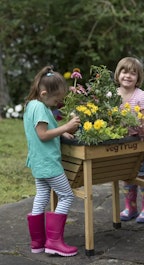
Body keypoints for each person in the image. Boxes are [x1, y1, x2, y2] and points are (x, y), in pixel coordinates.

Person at [23, 65, 80, 256]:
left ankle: (38, 243)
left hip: (38, 162)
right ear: (44, 92)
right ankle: (54, 242)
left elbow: (45, 133)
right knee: (66, 196)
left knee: (41, 197)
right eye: (56, 99)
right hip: (49, 163)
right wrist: (66, 127)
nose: (57, 103)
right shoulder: (40, 107)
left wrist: (62, 135)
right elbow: (43, 135)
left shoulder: (32, 104)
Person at [114, 57, 144, 223]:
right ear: (118, 74)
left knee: (142, 175)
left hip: (138, 142)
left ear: (138, 77)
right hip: (121, 142)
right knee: (126, 175)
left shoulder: (140, 95)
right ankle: (131, 207)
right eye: (124, 71)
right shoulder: (114, 94)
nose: (127, 76)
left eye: (132, 73)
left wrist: (141, 128)